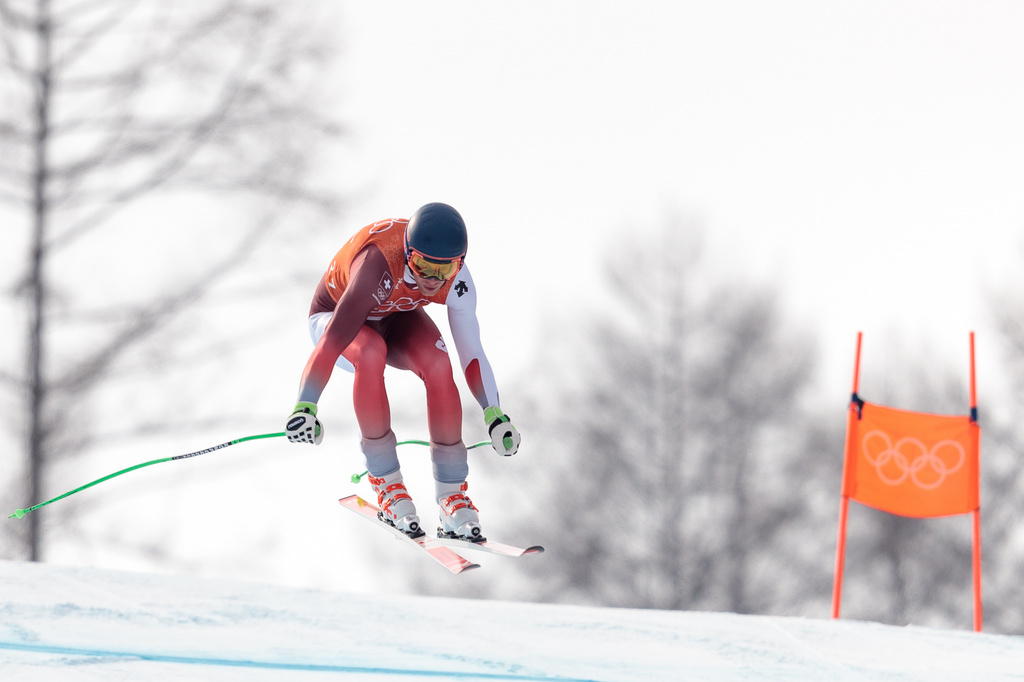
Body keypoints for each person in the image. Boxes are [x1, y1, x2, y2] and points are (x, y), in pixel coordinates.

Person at [285, 202, 520, 542]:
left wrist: (494, 414)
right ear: (409, 254)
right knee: (370, 352)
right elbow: (333, 341)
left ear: (460, 263)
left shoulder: (457, 281)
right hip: (334, 320)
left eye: (445, 270)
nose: (432, 280)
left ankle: (451, 495)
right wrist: (305, 406)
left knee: (439, 363)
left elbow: (473, 351)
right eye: (424, 266)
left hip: (394, 315)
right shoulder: (377, 265)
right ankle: (387, 484)